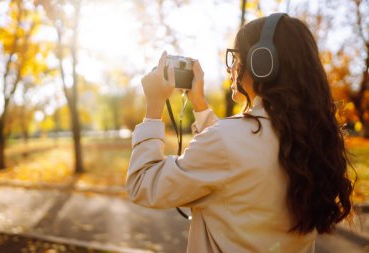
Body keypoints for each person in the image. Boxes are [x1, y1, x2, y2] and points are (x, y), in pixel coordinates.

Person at [126, 13, 354, 253]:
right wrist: (200, 104)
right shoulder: (313, 139)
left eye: (236, 58)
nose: (232, 68)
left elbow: (142, 184)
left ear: (262, 63)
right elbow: (232, 164)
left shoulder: (226, 142)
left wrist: (153, 107)